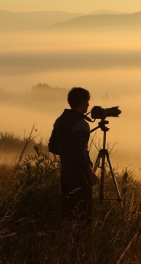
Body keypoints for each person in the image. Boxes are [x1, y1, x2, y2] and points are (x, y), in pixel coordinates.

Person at [49, 87, 98, 225]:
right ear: (82, 101)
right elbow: (79, 154)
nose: (88, 104)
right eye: (87, 101)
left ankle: (65, 238)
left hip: (66, 172)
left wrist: (66, 154)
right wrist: (91, 172)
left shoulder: (61, 120)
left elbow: (52, 147)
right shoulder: (82, 124)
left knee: (67, 210)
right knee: (84, 213)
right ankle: (81, 241)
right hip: (80, 175)